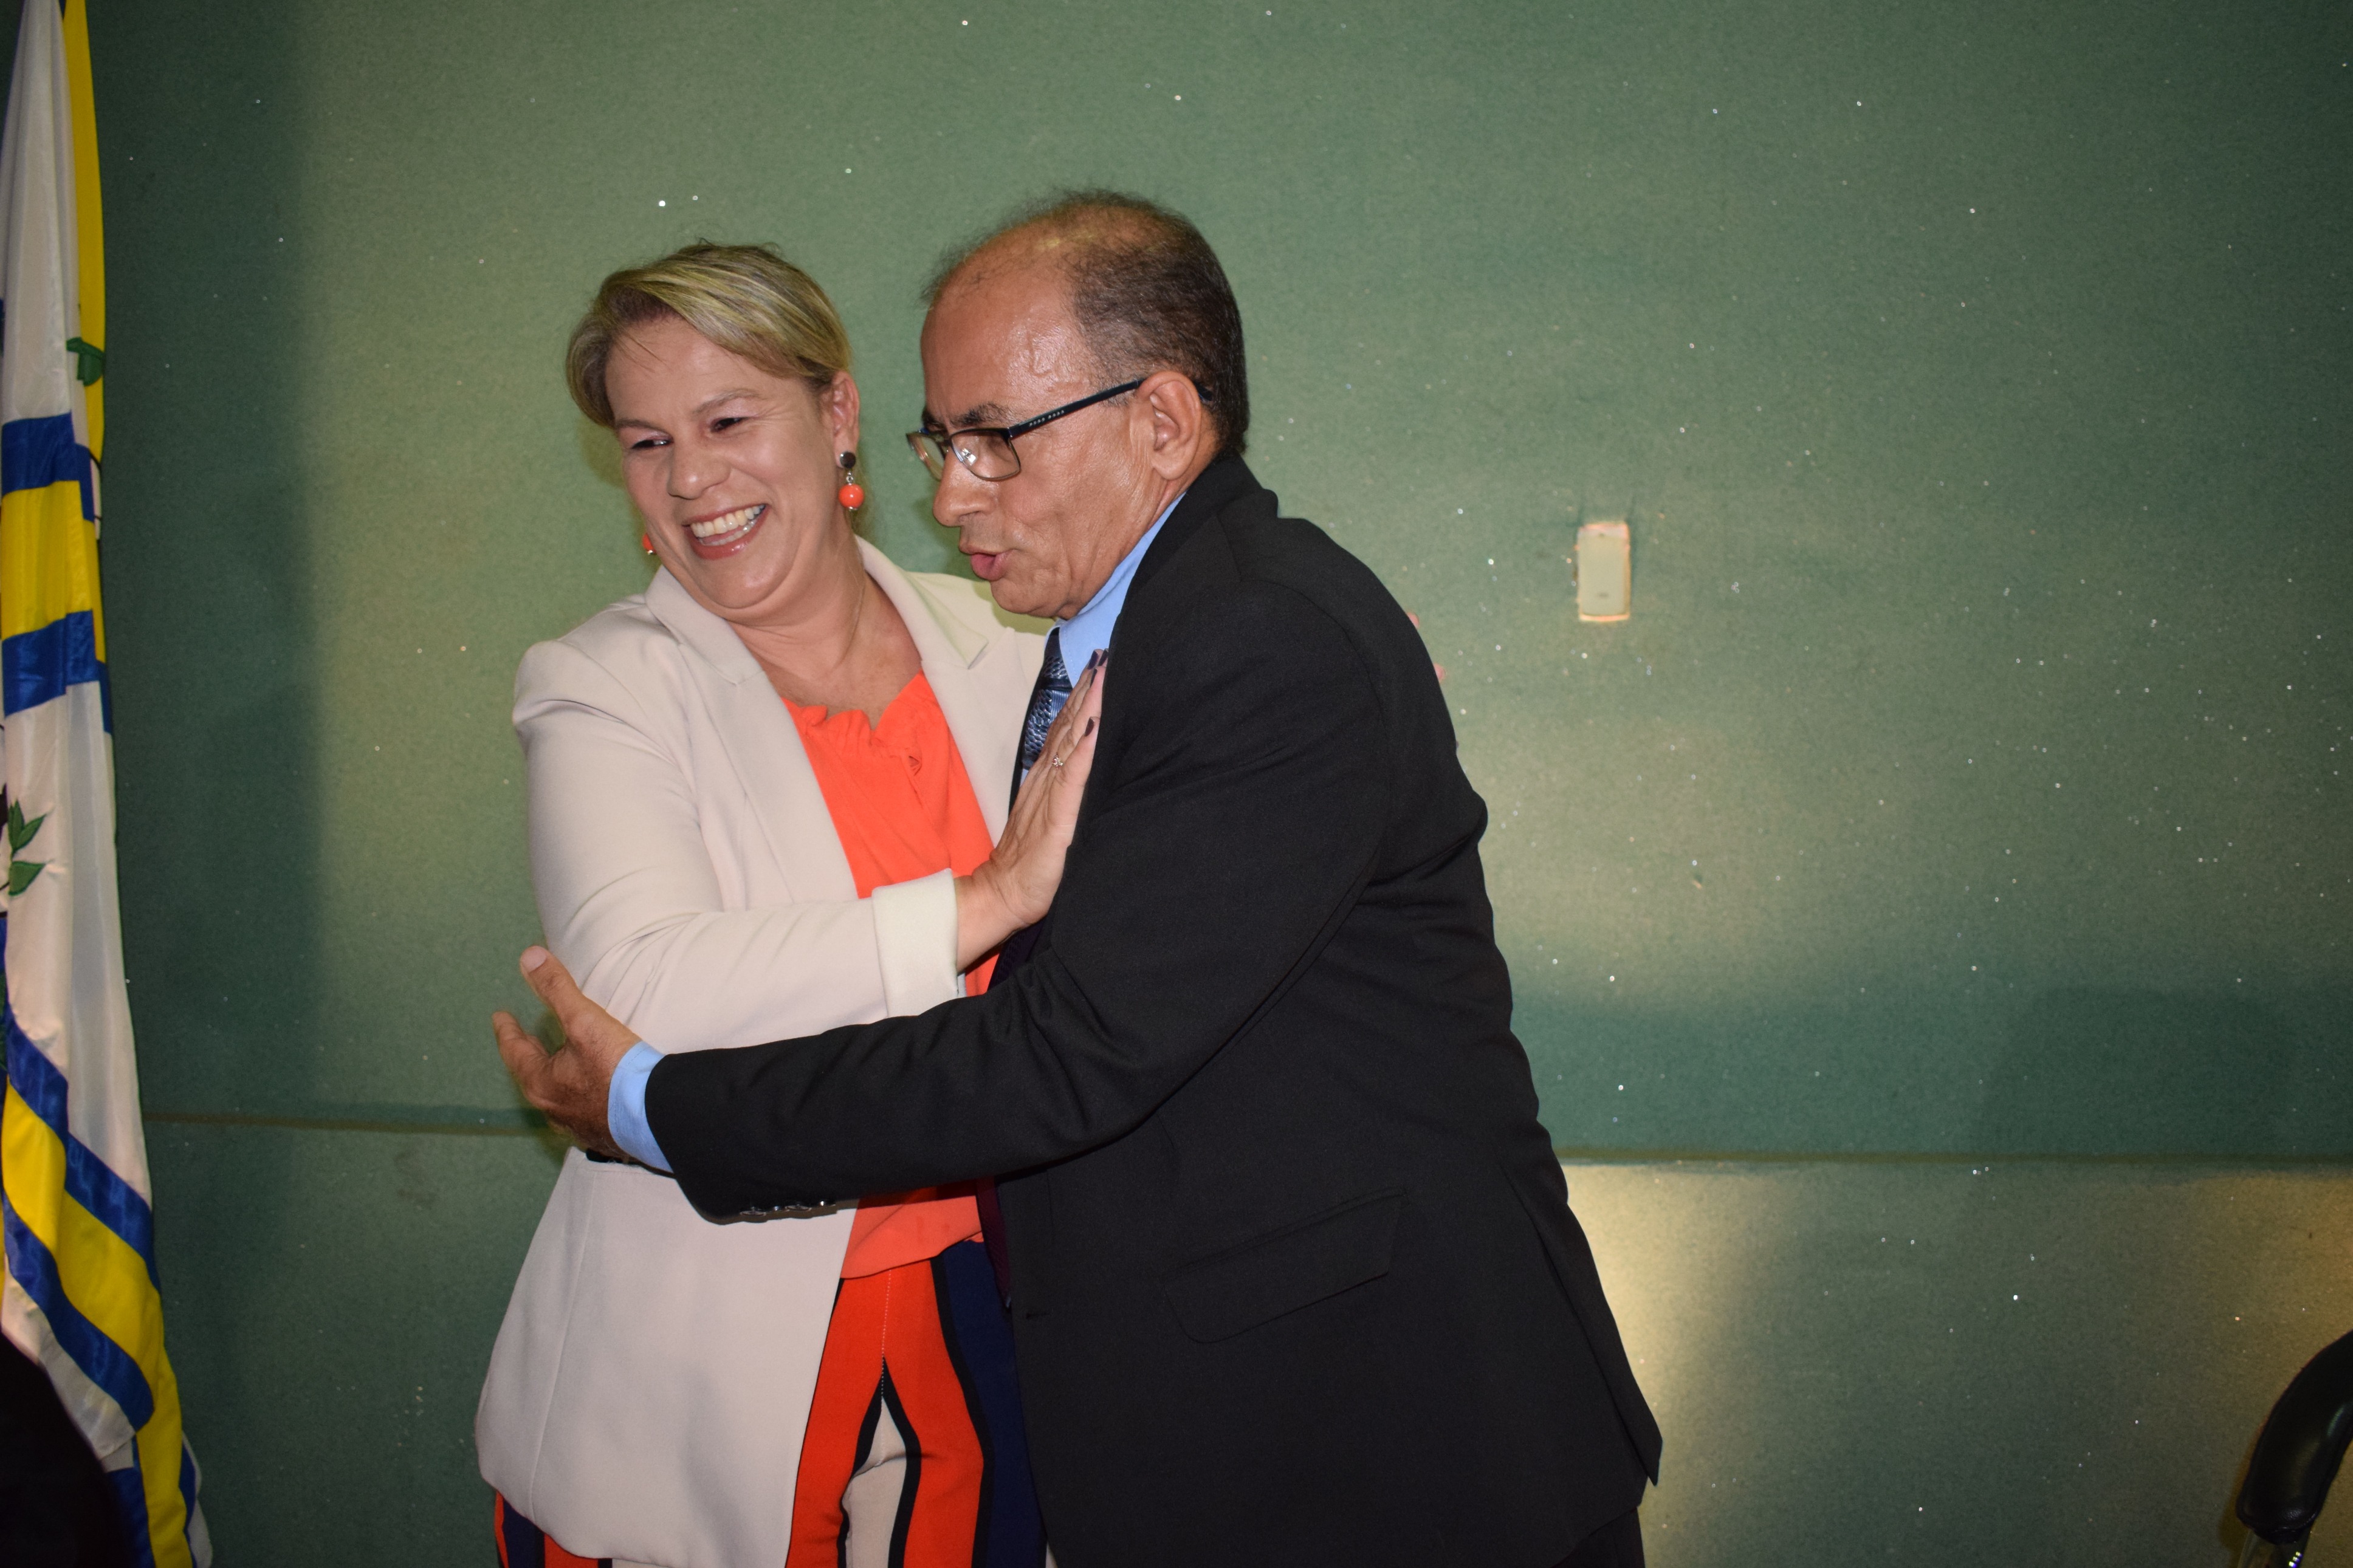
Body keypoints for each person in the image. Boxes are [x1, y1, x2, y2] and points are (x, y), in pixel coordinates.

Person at [497, 194, 1661, 1568]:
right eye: (947, 442)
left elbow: (1065, 1053)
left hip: (1384, 1444)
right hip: (1208, 1411)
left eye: (996, 438)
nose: (952, 495)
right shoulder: (1132, 627)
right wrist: (976, 902)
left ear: (1161, 422)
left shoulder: (1250, 635)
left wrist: (651, 1105)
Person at [475, 242, 1101, 1568]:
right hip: (695, 1350)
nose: (691, 478)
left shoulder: (1014, 645)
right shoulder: (599, 682)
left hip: (995, 1308)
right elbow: (643, 993)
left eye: (728, 421)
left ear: (838, 414)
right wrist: (981, 900)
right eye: (648, 442)